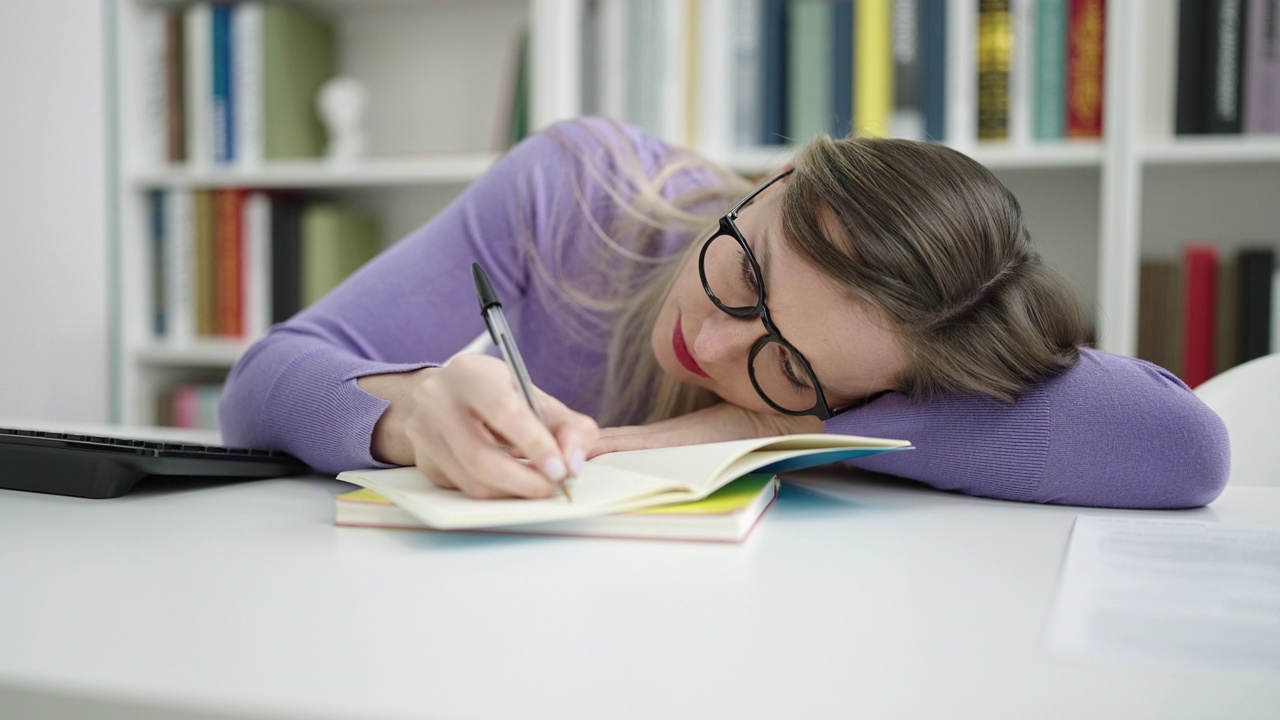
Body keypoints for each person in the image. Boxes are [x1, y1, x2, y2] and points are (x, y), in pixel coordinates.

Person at [219, 117, 1229, 509]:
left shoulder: (881, 369)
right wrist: (411, 408)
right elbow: (263, 381)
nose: (706, 342)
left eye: (786, 363)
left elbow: (1176, 447)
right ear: (777, 177)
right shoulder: (578, 190)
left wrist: (763, 428)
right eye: (743, 271)